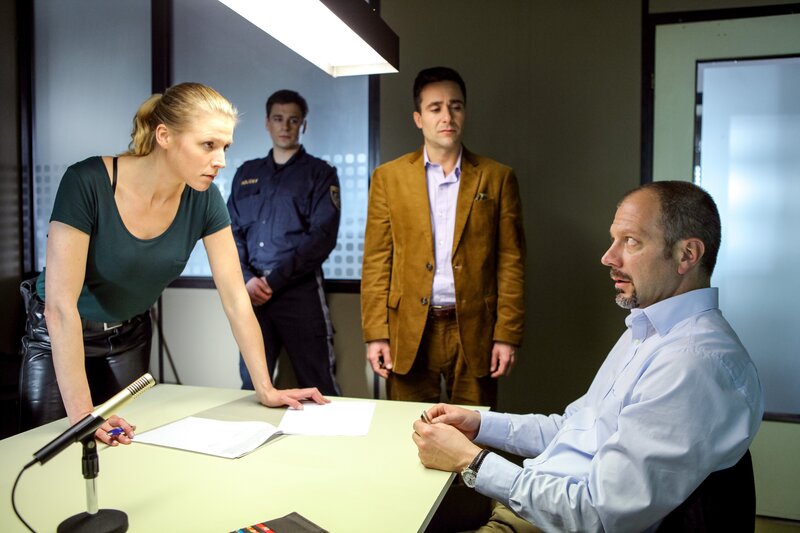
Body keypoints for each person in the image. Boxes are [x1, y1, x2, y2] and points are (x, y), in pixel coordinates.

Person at [412, 181, 764, 532]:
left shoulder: (692, 364)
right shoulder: (649, 329)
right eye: (614, 240)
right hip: (535, 499)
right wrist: (480, 425)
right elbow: (575, 428)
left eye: (631, 241)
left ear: (687, 254)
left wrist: (470, 461)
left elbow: (597, 515)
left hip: (551, 520)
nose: (608, 257)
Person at [19, 82, 327, 446]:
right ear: (164, 136)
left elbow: (235, 299)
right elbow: (59, 306)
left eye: (225, 147)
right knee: (52, 449)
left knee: (127, 448)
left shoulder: (204, 199)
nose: (221, 160)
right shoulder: (87, 181)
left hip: (128, 336)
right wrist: (84, 414)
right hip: (56, 335)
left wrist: (266, 388)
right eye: (208, 145)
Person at [361, 66, 525, 408]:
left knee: (474, 429)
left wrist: (507, 335)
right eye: (435, 108)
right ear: (418, 118)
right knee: (407, 428)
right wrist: (376, 333)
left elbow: (511, 262)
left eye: (456, 106)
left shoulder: (497, 177)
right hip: (409, 328)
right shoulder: (388, 178)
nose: (447, 116)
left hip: (476, 329)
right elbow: (377, 260)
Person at [227, 90, 341, 395]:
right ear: (267, 123)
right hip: (252, 295)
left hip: (299, 292)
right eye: (278, 119)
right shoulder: (247, 173)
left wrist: (274, 280)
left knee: (318, 382)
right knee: (253, 386)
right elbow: (229, 232)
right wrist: (247, 278)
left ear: (303, 124)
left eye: (293, 120)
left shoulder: (320, 173)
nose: (285, 126)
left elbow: (322, 236)